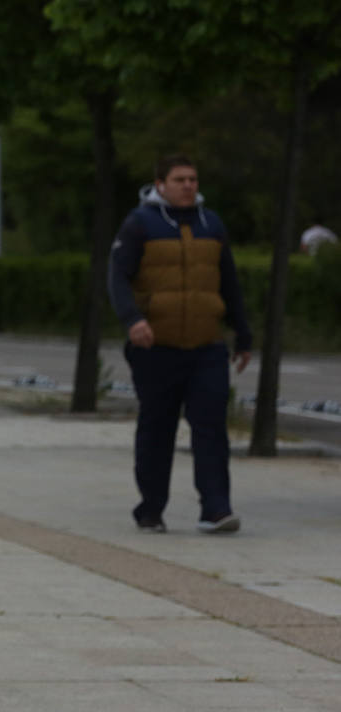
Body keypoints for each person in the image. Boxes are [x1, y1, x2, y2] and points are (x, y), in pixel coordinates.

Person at [108, 154, 252, 535]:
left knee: (211, 428)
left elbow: (229, 281)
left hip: (206, 347)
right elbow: (118, 277)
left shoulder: (212, 224)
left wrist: (243, 334)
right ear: (160, 185)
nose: (188, 185)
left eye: (193, 179)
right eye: (179, 179)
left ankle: (216, 509)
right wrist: (133, 320)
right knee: (157, 429)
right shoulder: (140, 224)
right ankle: (151, 508)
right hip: (157, 347)